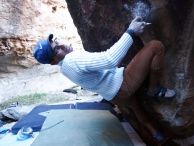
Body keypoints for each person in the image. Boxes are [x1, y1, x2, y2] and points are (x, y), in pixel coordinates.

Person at [34, 16, 176, 142]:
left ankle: (155, 133)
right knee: (156, 46)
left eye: (57, 42)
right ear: (53, 61)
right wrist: (131, 32)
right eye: (56, 50)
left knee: (136, 107)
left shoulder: (64, 68)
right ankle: (154, 89)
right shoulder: (73, 60)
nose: (62, 45)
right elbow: (110, 59)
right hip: (122, 85)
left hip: (113, 96)